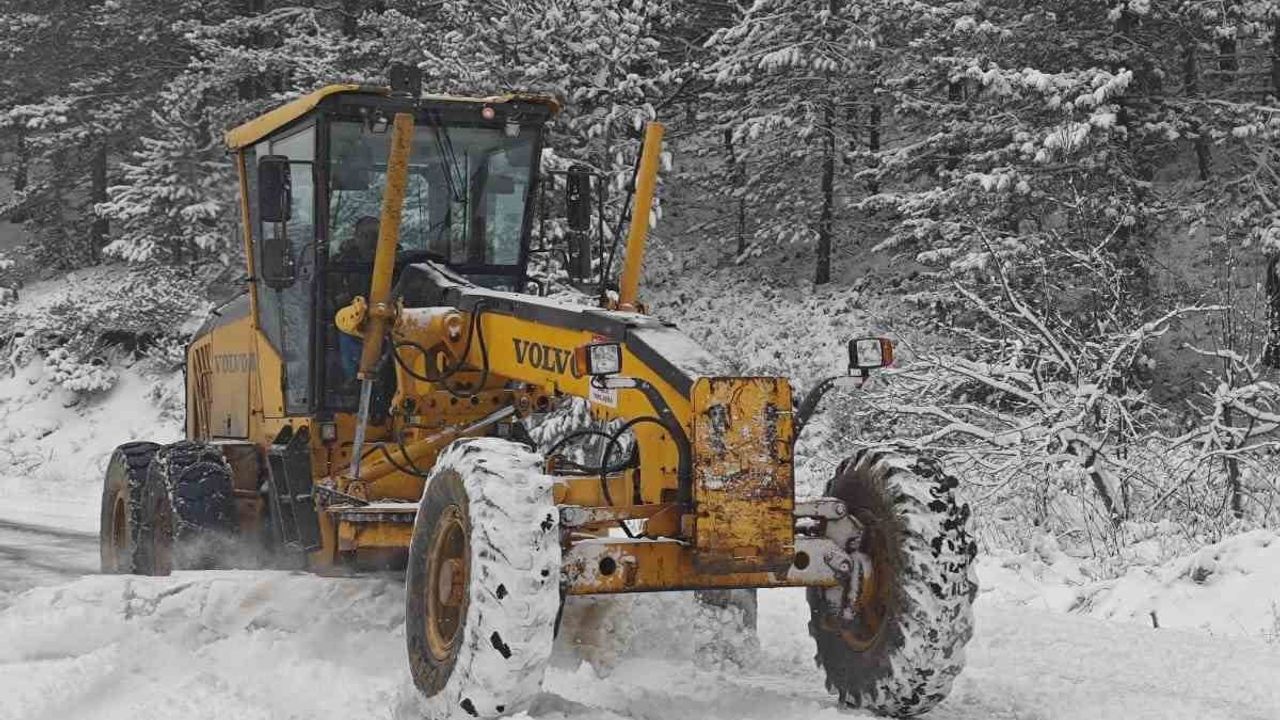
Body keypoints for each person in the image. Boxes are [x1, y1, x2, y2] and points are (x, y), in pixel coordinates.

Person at [332, 216, 380, 379]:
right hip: (352, 319)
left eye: (375, 236)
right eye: (365, 235)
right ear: (356, 237)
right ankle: (353, 379)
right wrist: (339, 299)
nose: (370, 241)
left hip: (389, 318)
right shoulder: (340, 263)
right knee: (348, 331)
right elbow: (327, 292)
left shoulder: (398, 261)